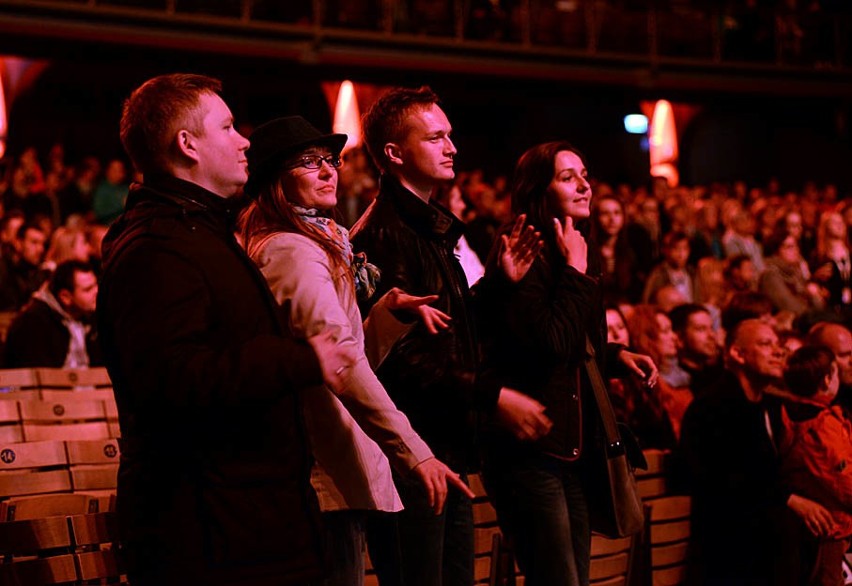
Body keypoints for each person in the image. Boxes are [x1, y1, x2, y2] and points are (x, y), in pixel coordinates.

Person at [97, 73, 355, 586]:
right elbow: (174, 377)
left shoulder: (199, 231)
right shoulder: (157, 247)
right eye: (229, 126)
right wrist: (300, 359)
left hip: (248, 523)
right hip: (214, 536)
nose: (244, 141)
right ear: (187, 144)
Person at [239, 115, 477, 585]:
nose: (329, 171)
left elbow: (341, 352)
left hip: (329, 466)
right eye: (309, 163)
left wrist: (387, 314)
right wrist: (415, 452)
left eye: (329, 160)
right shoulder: (292, 251)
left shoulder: (317, 242)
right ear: (274, 180)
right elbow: (341, 362)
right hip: (319, 469)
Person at [350, 86, 550, 586]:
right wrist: (492, 395)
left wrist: (499, 284)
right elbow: (398, 360)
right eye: (435, 137)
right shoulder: (386, 233)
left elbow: (446, 326)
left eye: (450, 135)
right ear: (394, 154)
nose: (452, 147)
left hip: (442, 448)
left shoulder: (430, 227)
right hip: (412, 453)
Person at [478, 141, 657, 585]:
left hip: (573, 446)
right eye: (567, 176)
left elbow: (579, 341)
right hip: (532, 448)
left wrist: (616, 355)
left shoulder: (577, 245)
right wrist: (577, 273)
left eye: (584, 173)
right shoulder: (522, 248)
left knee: (575, 576)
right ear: (540, 188)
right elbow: (550, 344)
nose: (584, 184)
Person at [679, 319, 835, 586]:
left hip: (763, 542)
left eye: (778, 345)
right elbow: (723, 481)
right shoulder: (711, 407)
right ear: (738, 354)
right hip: (729, 548)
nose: (778, 351)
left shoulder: (770, 406)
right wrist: (788, 499)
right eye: (765, 344)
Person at [781, 345, 852, 586]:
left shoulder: (786, 416)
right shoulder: (823, 426)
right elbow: (843, 479)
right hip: (830, 527)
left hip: (810, 528)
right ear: (826, 379)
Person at [4, 260, 100, 368]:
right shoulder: (33, 323)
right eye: (88, 289)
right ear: (66, 297)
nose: (97, 291)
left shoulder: (92, 317)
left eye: (96, 285)